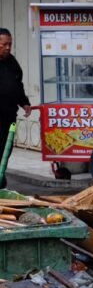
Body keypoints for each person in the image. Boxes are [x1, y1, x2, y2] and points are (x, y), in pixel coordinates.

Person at [0, 29, 30, 188]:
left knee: (6, 148)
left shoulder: (12, 62)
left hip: (9, 115)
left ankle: (0, 175)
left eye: (9, 44)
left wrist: (24, 102)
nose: (7, 47)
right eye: (4, 44)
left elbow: (18, 85)